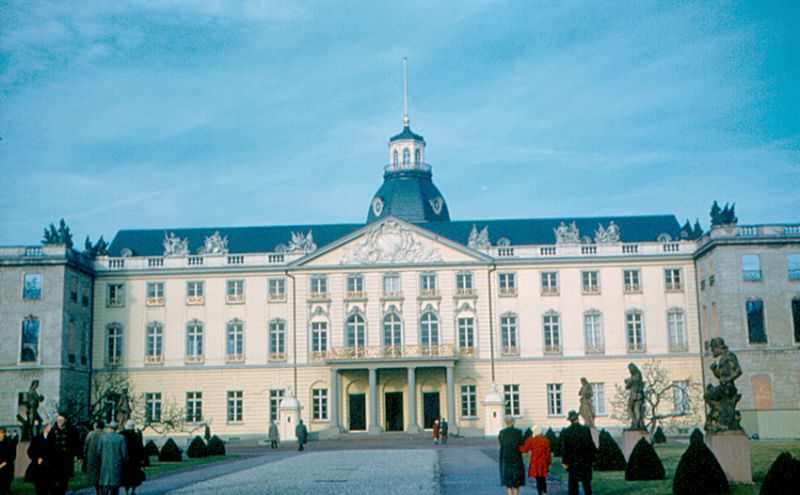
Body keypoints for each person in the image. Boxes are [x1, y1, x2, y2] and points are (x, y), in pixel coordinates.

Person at [561, 410, 597, 495]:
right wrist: (593, 459)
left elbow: (565, 449)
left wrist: (565, 462)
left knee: (573, 486)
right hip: (585, 462)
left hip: (573, 462)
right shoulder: (585, 430)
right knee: (587, 485)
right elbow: (591, 446)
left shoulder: (567, 432)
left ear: (570, 420)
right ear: (578, 418)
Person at [49, 412, 79, 495]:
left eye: (62, 420)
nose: (60, 422)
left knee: (63, 481)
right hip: (54, 460)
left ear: (65, 420)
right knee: (53, 481)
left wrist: (77, 455)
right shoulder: (52, 430)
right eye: (59, 420)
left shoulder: (72, 430)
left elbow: (76, 444)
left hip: (66, 460)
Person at [519, 425, 551, 495]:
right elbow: (548, 453)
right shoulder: (546, 440)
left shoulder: (531, 440)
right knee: (543, 478)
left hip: (535, 462)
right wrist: (548, 463)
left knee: (538, 479)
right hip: (543, 462)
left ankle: (540, 493)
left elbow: (525, 449)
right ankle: (545, 492)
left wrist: (517, 447)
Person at [98, 422, 128, 495]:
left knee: (105, 484)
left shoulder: (103, 437)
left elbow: (98, 451)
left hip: (105, 463)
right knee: (115, 486)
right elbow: (124, 453)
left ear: (109, 428)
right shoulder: (121, 438)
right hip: (116, 464)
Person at [498, 415, 525, 495]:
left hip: (506, 457)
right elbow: (521, 444)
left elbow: (501, 443)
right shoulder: (518, 432)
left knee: (508, 478)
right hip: (516, 457)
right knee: (516, 478)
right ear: (513, 422)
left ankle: (510, 493)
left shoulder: (502, 433)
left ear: (505, 422)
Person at [120, 420, 145, 495]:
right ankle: (133, 491)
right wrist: (142, 459)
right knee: (134, 477)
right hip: (135, 460)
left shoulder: (122, 434)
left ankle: (127, 491)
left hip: (126, 460)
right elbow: (141, 448)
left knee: (126, 477)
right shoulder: (136, 435)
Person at [25, 423, 51, 495]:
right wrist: (37, 458)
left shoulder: (53, 438)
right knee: (40, 488)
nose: (51, 429)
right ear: (45, 428)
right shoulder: (36, 439)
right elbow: (30, 451)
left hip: (50, 467)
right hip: (39, 468)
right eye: (49, 428)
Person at [84, 420, 106, 495]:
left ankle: (98, 491)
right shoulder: (105, 434)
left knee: (95, 477)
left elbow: (85, 446)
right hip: (103, 458)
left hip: (92, 458)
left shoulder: (90, 434)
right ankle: (102, 491)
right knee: (102, 476)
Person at [0, 427, 18, 495]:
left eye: (1, 433)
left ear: (3, 434)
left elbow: (12, 455)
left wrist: (3, 464)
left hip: (7, 468)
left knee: (5, 487)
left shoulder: (8, 443)